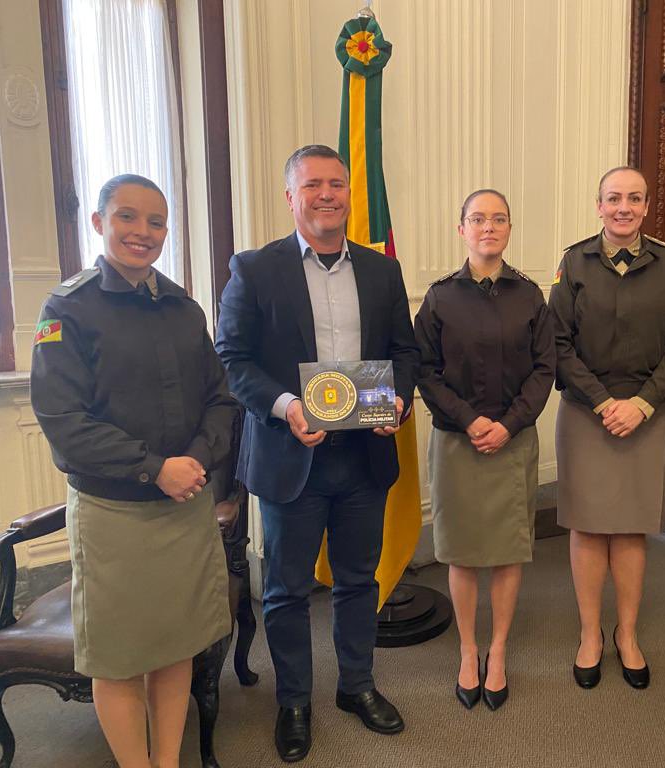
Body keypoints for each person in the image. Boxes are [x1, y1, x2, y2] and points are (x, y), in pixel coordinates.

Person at [214, 145, 419, 762]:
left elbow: (405, 352)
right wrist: (285, 406)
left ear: (350, 192)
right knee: (285, 590)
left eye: (336, 183)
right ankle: (294, 700)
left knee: (360, 581)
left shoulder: (383, 271)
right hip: (289, 455)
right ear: (291, 197)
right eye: (312, 185)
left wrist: (397, 402)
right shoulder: (254, 268)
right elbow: (232, 360)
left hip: (364, 458)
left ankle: (357, 686)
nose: (326, 194)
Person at [30, 174, 235, 768]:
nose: (142, 233)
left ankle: (166, 762)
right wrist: (154, 469)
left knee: (175, 646)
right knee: (120, 658)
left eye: (155, 222)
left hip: (183, 507)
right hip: (114, 515)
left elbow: (220, 401)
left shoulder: (182, 306)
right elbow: (65, 422)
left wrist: (194, 460)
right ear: (99, 222)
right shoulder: (66, 307)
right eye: (127, 217)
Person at [548, 167, 665, 690]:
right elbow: (557, 343)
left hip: (646, 413)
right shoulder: (575, 262)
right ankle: (590, 635)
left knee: (631, 528)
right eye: (614, 199)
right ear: (599, 205)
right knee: (588, 526)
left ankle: (627, 635)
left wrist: (641, 403)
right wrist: (604, 401)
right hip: (588, 412)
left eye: (634, 198)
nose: (623, 207)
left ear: (647, 207)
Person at [414, 189, 555, 711]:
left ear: (510, 229)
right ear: (462, 229)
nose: (488, 227)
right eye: (478, 219)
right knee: (464, 551)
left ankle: (498, 651)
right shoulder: (439, 298)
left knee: (507, 549)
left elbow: (546, 370)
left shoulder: (530, 296)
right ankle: (468, 651)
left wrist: (509, 423)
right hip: (458, 442)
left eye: (498, 219)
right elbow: (424, 370)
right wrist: (471, 420)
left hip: (513, 441)